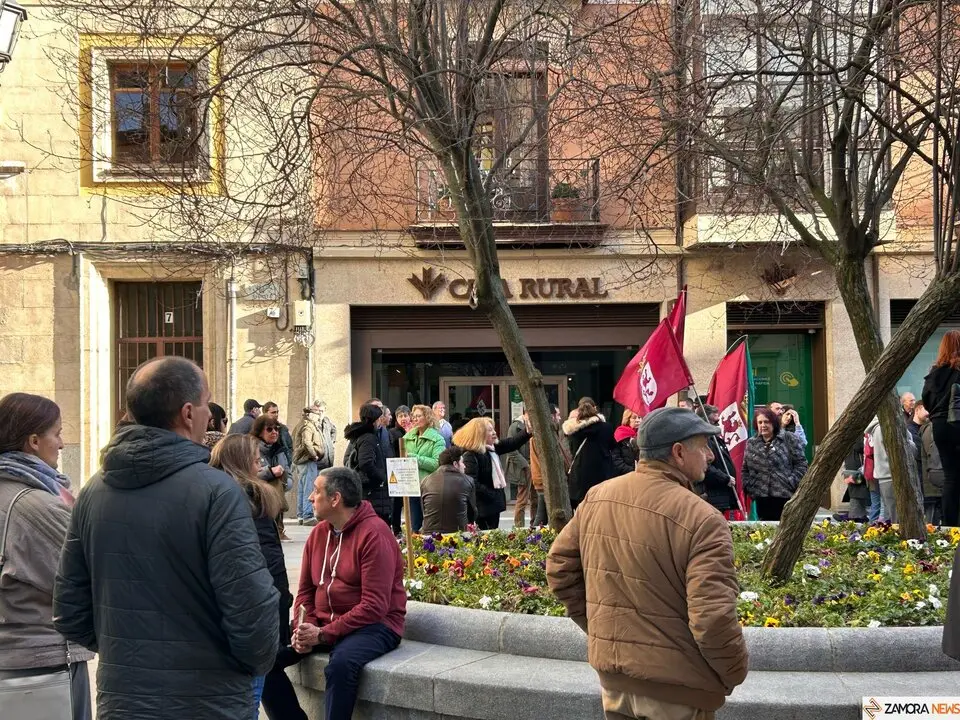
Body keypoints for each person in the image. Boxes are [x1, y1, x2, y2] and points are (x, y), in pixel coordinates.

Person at [54, 357, 279, 720]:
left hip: (124, 701)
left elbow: (68, 610)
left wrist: (132, 651)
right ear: (188, 413)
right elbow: (252, 614)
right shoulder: (217, 492)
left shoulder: (93, 491)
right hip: (209, 701)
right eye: (207, 402)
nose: (210, 414)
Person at [546, 407, 748, 720]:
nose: (710, 456)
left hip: (615, 683)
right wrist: (735, 672)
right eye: (703, 446)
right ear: (678, 452)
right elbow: (712, 619)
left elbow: (559, 570)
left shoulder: (597, 497)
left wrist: (602, 628)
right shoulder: (703, 519)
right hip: (678, 689)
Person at [0, 393, 93, 720]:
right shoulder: (37, 505)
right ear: (34, 441)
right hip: (45, 661)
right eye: (57, 433)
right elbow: (85, 577)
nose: (63, 443)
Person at [290, 467, 405, 720]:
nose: (310, 497)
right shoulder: (318, 533)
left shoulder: (375, 534)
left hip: (375, 626)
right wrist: (304, 627)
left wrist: (322, 634)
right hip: (323, 624)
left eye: (316, 491)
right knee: (266, 655)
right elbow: (305, 592)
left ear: (335, 499)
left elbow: (375, 606)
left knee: (341, 665)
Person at [210, 435, 306, 720]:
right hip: (257, 601)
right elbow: (268, 558)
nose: (261, 464)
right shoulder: (249, 496)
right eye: (255, 459)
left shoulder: (218, 492)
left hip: (234, 602)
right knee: (265, 668)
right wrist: (280, 596)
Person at [453, 417, 531, 530]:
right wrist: (492, 494)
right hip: (481, 508)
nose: (494, 432)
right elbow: (472, 482)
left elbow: (511, 443)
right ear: (479, 434)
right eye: (490, 430)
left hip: (492, 506)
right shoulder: (470, 455)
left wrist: (527, 432)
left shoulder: (491, 448)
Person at [741, 407, 807, 521]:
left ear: (774, 422)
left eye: (766, 422)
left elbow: (801, 464)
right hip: (762, 496)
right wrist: (750, 486)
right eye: (760, 422)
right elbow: (745, 468)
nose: (763, 425)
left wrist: (791, 481)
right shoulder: (752, 442)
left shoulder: (788, 438)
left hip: (785, 494)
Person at [922, 330, 960, 526]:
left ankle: (950, 525)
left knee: (951, 476)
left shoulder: (933, 374)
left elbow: (927, 402)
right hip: (957, 424)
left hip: (939, 427)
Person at [562, 397, 616, 509]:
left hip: (579, 476)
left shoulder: (573, 430)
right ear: (595, 408)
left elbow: (570, 450)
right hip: (602, 474)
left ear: (578, 410)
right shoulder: (606, 427)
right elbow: (613, 446)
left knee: (581, 510)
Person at [343, 403, 391, 526]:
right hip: (372, 490)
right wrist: (381, 477)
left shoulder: (362, 435)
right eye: (379, 418)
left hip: (368, 489)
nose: (381, 421)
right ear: (375, 419)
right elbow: (366, 463)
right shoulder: (368, 438)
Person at [401, 405, 446, 532]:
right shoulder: (406, 438)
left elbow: (437, 463)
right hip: (411, 486)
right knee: (414, 526)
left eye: (418, 416)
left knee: (429, 526)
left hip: (429, 487)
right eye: (413, 416)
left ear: (428, 418)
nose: (415, 419)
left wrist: (414, 458)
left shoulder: (437, 439)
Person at [865, 415, 916, 524]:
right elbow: (908, 449)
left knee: (890, 514)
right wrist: (909, 438)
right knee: (896, 516)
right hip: (893, 474)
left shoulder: (876, 429)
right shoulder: (888, 427)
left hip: (883, 475)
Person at [251, 414, 293, 541]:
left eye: (276, 429)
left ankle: (279, 529)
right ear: (259, 432)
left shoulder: (280, 449)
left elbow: (289, 476)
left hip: (277, 495)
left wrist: (284, 482)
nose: (274, 432)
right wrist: (270, 472)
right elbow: (249, 474)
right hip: (258, 498)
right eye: (269, 429)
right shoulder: (251, 448)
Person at [531, 404, 571, 527]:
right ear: (550, 416)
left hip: (545, 480)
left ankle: (533, 538)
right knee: (541, 516)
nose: (559, 418)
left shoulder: (549, 433)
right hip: (545, 481)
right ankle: (532, 539)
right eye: (557, 415)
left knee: (543, 515)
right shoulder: (542, 435)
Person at [420, 446, 476, 533]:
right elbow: (472, 512)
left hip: (429, 533)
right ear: (455, 464)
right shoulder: (468, 481)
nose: (464, 466)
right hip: (457, 533)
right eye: (462, 462)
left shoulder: (425, 481)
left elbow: (424, 509)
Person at [697, 404, 740, 514]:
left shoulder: (716, 439)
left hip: (723, 495)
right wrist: (725, 478)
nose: (718, 424)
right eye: (714, 421)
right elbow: (705, 467)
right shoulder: (702, 440)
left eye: (718, 420)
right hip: (711, 495)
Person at [292, 407, 325, 526]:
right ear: (311, 415)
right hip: (307, 460)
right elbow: (307, 442)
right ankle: (307, 515)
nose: (319, 416)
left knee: (302, 487)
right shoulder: (308, 426)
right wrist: (314, 454)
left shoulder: (302, 424)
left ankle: (301, 515)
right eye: (317, 414)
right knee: (308, 488)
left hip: (302, 461)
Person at [504, 409, 535, 527]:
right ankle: (519, 527)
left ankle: (534, 526)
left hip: (533, 465)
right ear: (525, 414)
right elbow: (511, 450)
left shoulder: (533, 426)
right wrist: (525, 465)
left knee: (535, 499)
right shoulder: (515, 427)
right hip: (523, 468)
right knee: (522, 499)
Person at [921, 416, 944, 525]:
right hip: (937, 476)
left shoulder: (928, 428)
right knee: (933, 518)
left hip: (933, 476)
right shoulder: (932, 429)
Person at [310, 399, 337, 473]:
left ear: (325, 411)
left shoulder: (326, 420)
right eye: (317, 411)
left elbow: (334, 430)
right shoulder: (311, 423)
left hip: (329, 460)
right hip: (317, 463)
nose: (319, 413)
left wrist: (332, 442)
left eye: (321, 411)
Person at [612, 409, 641, 476]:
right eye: (634, 418)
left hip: (640, 475)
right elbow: (616, 459)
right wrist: (632, 470)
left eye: (639, 417)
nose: (637, 420)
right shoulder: (620, 434)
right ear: (627, 420)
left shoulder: (643, 435)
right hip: (624, 475)